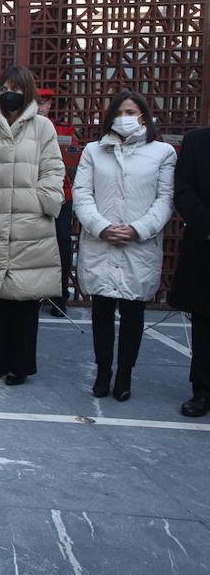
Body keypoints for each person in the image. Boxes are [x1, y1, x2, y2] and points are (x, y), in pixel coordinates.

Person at [0, 66, 64, 386]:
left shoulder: (43, 128)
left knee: (24, 299)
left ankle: (20, 366)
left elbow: (53, 171)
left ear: (27, 91)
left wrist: (42, 203)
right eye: (4, 86)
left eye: (16, 87)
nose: (10, 92)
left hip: (30, 225)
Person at [72, 90, 174, 402]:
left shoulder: (162, 152)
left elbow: (165, 198)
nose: (126, 118)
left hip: (138, 245)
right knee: (101, 312)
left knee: (133, 313)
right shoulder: (93, 151)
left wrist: (137, 229)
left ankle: (125, 375)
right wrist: (102, 227)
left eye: (132, 112)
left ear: (143, 115)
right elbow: (82, 193)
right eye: (121, 112)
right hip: (101, 242)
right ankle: (103, 371)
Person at [170, 124, 210, 417]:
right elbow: (183, 190)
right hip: (204, 244)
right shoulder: (196, 142)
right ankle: (202, 390)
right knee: (204, 323)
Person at [36, 87, 82, 317]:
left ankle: (59, 296)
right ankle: (35, 294)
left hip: (62, 195)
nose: (40, 107)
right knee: (35, 246)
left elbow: (73, 159)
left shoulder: (63, 129)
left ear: (50, 105)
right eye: (36, 102)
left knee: (62, 245)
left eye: (44, 103)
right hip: (34, 195)